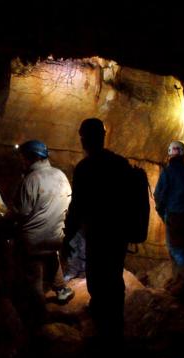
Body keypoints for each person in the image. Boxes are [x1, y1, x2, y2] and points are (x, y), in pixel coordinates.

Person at [63, 118, 130, 346]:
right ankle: (115, 329)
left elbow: (77, 205)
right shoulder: (121, 164)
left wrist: (68, 233)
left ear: (84, 138)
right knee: (114, 276)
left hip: (98, 232)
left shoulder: (85, 168)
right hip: (118, 233)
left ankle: (103, 332)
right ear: (103, 136)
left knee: (98, 278)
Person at [14, 140, 73, 326]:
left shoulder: (31, 180)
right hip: (57, 237)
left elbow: (22, 212)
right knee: (51, 254)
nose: (21, 161)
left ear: (31, 157)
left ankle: (39, 317)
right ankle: (61, 289)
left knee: (33, 277)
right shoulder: (60, 175)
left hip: (34, 241)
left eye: (23, 157)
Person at [154, 140, 184, 274]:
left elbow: (158, 195)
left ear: (170, 155)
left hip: (173, 217)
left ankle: (182, 280)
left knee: (176, 251)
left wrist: (163, 213)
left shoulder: (167, 173)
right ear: (183, 155)